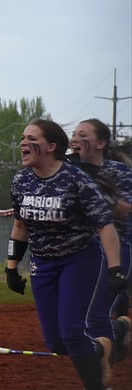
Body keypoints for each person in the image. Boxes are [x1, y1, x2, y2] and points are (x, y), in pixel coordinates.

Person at [5, 118, 127, 390]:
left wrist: (114, 269)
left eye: (30, 138)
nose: (23, 143)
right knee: (57, 343)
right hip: (43, 262)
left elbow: (105, 226)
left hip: (79, 260)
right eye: (22, 137)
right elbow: (20, 225)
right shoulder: (22, 181)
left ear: (51, 146)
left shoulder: (76, 180)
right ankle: (99, 349)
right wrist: (10, 265)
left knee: (72, 331)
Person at [69, 119, 132, 364]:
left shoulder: (119, 172)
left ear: (101, 143)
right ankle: (120, 329)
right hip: (78, 250)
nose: (74, 139)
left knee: (95, 317)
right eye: (73, 134)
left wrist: (93, 187)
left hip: (113, 248)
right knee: (74, 316)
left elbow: (124, 210)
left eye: (82, 134)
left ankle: (98, 383)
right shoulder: (68, 171)